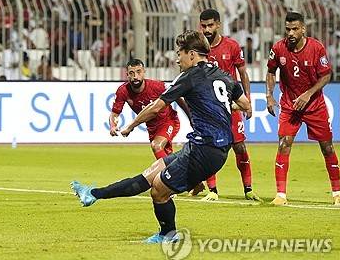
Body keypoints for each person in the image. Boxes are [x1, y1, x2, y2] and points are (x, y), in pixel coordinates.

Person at [72, 30, 251, 243]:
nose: (177, 59)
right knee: (150, 175)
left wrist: (131, 125)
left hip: (205, 149)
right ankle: (93, 194)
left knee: (158, 190)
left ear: (192, 54)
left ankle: (168, 234)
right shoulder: (223, 75)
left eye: (180, 53)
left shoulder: (190, 76)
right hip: (207, 146)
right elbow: (245, 105)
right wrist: (220, 106)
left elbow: (156, 107)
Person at [266, 12, 340, 206]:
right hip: (290, 106)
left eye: (294, 29)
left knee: (327, 147)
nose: (290, 33)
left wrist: (308, 93)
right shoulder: (278, 48)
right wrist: (269, 95)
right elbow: (271, 71)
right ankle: (280, 195)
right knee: (284, 144)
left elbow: (326, 76)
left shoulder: (316, 48)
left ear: (303, 29)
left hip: (315, 106)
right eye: (288, 29)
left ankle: (337, 193)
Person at [194, 9, 261, 202]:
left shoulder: (231, 46)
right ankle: (212, 191)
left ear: (218, 24)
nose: (206, 29)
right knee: (209, 146)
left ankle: (248, 189)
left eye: (210, 25)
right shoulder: (198, 47)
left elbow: (243, 74)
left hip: (231, 106)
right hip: (208, 108)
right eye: (203, 26)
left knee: (239, 146)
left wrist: (247, 100)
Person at [109, 58, 190, 160]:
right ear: (127, 75)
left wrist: (190, 117)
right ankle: (177, 172)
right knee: (166, 156)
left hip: (169, 121)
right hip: (151, 127)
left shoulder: (157, 86)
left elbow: (177, 97)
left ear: (144, 72)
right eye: (131, 73)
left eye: (138, 72)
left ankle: (168, 173)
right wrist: (113, 125)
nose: (135, 77)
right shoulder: (123, 91)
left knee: (156, 145)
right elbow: (115, 112)